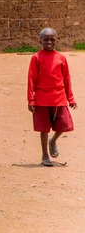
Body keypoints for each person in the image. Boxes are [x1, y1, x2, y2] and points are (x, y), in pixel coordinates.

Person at [27, 28, 77, 167]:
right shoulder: (36, 58)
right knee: (44, 129)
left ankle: (53, 140)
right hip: (42, 100)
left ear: (57, 40)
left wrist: (70, 98)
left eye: (52, 39)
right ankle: (45, 155)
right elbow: (31, 79)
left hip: (59, 98)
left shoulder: (61, 58)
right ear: (40, 41)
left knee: (64, 125)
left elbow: (66, 79)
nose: (49, 42)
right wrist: (31, 99)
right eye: (46, 39)